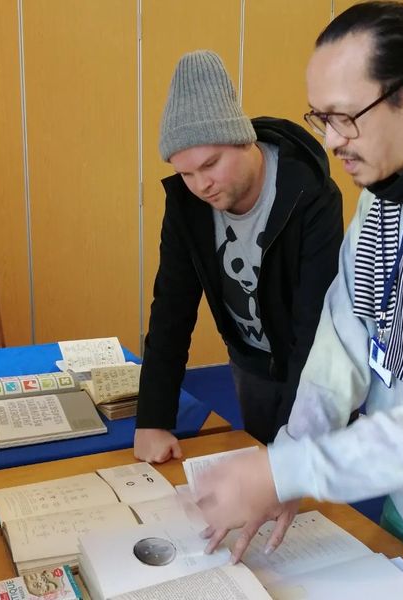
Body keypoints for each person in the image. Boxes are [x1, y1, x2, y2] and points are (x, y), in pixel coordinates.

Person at [195, 4, 403, 598]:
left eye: (345, 118)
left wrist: (284, 472)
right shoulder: (386, 191)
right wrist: (290, 459)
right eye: (321, 118)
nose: (330, 142)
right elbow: (344, 340)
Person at [133, 50, 343, 461]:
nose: (200, 185)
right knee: (259, 479)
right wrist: (153, 419)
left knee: (311, 487)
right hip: (250, 362)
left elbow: (314, 327)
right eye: (186, 174)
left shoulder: (310, 195)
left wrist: (289, 453)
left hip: (314, 364)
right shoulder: (187, 203)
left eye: (210, 164)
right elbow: (171, 308)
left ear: (243, 139)